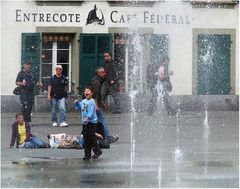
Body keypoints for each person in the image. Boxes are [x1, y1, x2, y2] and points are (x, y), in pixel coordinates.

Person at [90, 67, 119, 144]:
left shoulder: (97, 80)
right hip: (93, 104)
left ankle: (91, 136)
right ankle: (107, 137)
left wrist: (101, 102)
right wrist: (96, 105)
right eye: (102, 72)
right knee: (102, 120)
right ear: (98, 74)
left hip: (92, 103)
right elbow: (95, 95)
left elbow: (97, 94)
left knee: (92, 121)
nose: (104, 74)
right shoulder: (96, 82)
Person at [74, 86, 102, 161]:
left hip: (91, 123)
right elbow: (78, 107)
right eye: (85, 91)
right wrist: (76, 103)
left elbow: (92, 111)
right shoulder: (83, 101)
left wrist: (88, 117)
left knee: (92, 138)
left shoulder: (92, 101)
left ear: (92, 93)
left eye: (88, 91)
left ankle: (97, 151)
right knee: (86, 139)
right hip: (85, 123)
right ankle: (87, 155)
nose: (86, 92)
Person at [15, 60, 42, 125]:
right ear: (24, 65)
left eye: (29, 65)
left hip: (31, 92)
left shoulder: (32, 73)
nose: (28, 66)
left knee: (29, 107)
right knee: (25, 106)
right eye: (27, 65)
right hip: (23, 92)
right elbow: (16, 82)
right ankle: (23, 121)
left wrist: (39, 84)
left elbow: (35, 82)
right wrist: (22, 83)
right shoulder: (20, 73)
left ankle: (28, 121)